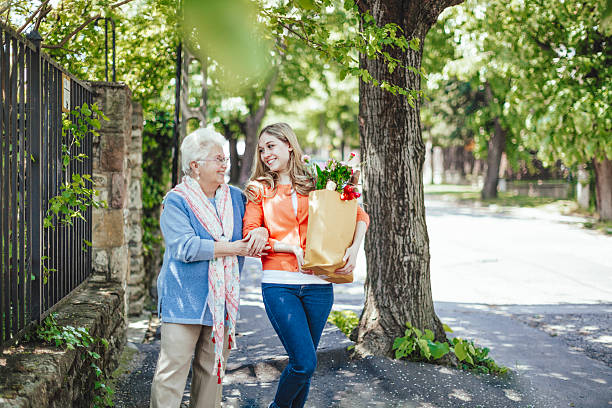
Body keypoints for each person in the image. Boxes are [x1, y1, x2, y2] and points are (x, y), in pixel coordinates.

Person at [242, 123, 370, 408]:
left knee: (306, 367)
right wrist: (288, 247)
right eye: (261, 150)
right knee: (304, 362)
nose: (265, 154)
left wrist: (354, 247)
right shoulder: (259, 189)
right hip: (279, 284)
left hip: (319, 285)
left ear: (289, 144)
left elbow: (359, 214)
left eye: (271, 146)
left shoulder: (317, 180)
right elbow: (251, 235)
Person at [150, 127, 268, 408]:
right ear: (195, 165)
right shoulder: (176, 201)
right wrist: (234, 248)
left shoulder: (237, 199)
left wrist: (261, 231)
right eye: (218, 159)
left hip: (221, 303)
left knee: (212, 375)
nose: (225, 165)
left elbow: (260, 220)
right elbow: (186, 248)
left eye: (225, 158)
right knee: (171, 376)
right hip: (183, 301)